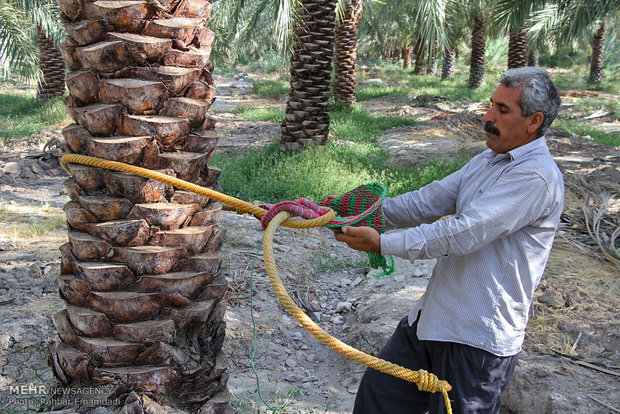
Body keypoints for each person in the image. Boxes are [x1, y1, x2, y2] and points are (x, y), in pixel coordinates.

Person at [334, 67, 564, 414]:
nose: (487, 117)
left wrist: (381, 243)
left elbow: (463, 233)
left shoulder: (536, 177)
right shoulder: (487, 160)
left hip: (477, 339)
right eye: (491, 105)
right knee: (378, 399)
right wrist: (354, 214)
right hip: (431, 320)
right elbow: (427, 201)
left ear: (534, 121)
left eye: (502, 110)